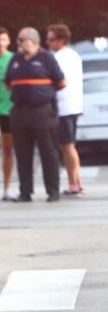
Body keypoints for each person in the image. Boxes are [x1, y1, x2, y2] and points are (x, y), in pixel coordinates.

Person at [5, 28, 65, 202]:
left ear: (32, 40)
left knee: (48, 152)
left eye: (20, 39)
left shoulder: (46, 58)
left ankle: (52, 191)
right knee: (23, 153)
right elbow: (8, 83)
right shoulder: (16, 59)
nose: (18, 43)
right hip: (20, 111)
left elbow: (61, 82)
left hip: (42, 112)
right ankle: (25, 191)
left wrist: (42, 92)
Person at [46, 24, 84, 196]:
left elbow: (58, 81)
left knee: (67, 146)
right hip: (73, 105)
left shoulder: (58, 58)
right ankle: (76, 180)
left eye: (51, 39)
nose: (48, 43)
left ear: (61, 40)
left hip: (63, 106)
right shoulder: (73, 55)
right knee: (68, 145)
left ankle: (74, 183)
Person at [0, 28, 15, 201]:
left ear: (8, 41)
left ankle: (6, 188)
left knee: (8, 149)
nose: (0, 43)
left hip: (8, 110)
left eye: (3, 39)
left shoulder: (14, 59)